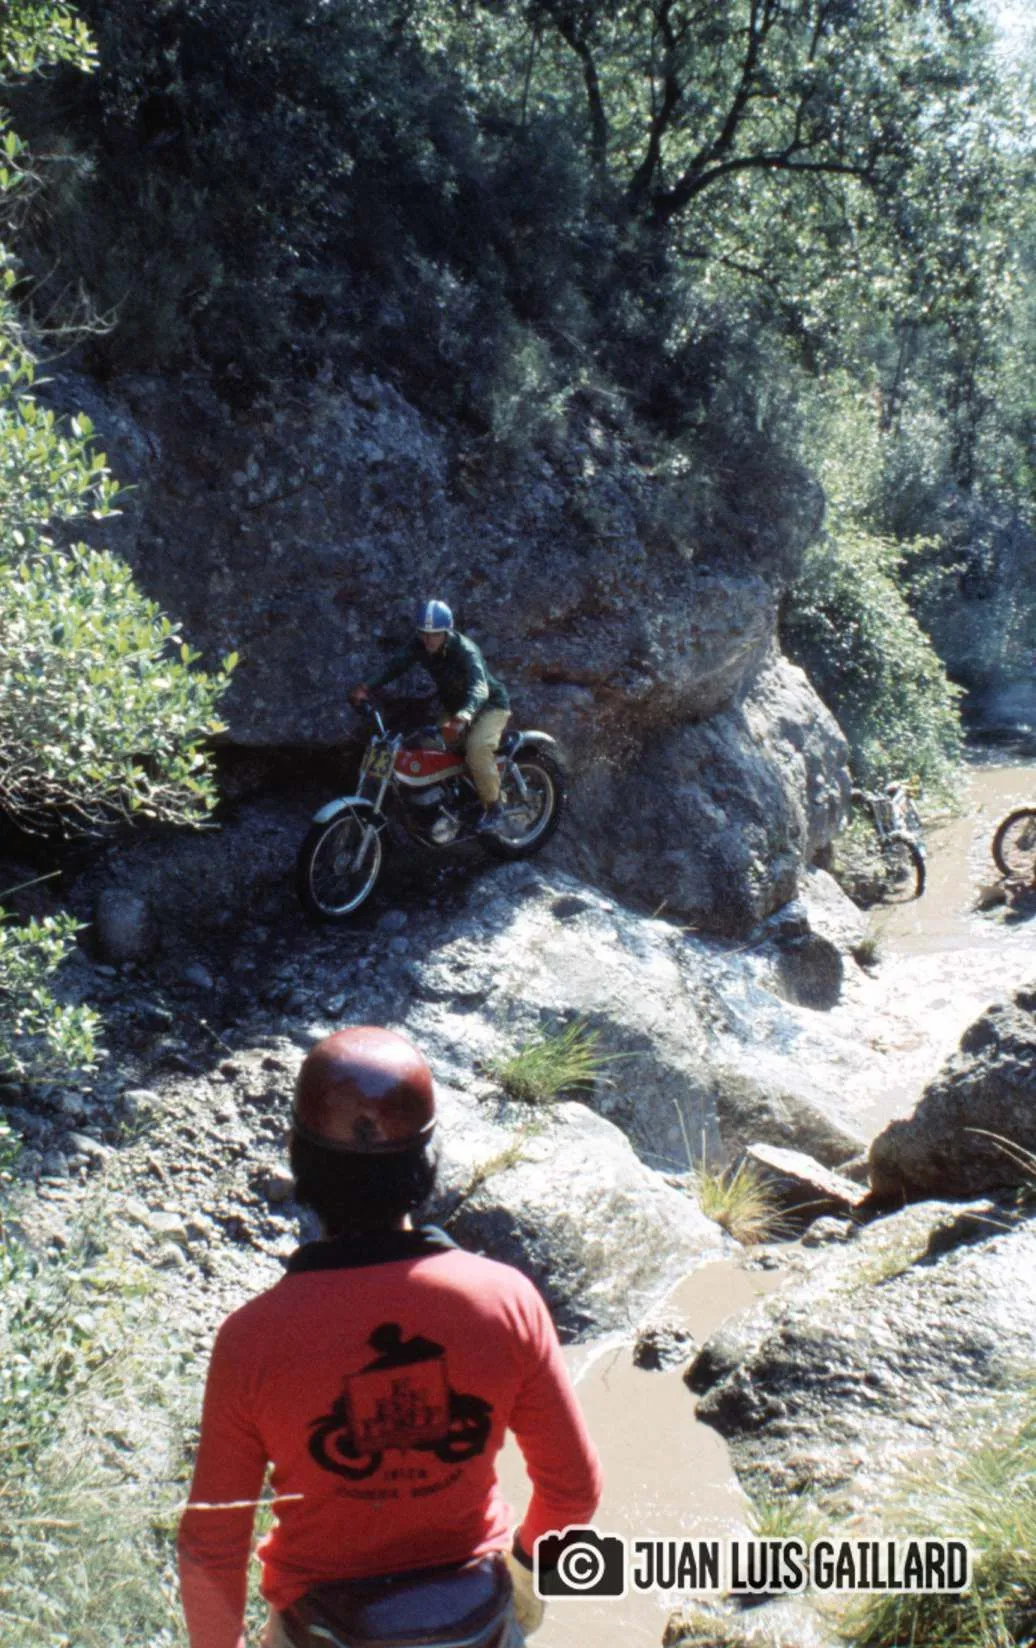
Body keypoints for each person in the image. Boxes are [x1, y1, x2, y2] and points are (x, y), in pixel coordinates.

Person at [177, 1026, 603, 1648]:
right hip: (476, 1625)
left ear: (301, 1165)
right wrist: (525, 1573)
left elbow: (211, 1546)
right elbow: (574, 1493)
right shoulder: (506, 1302)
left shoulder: (253, 1340)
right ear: (426, 1166)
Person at [349, 600, 511, 831]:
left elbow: (480, 688)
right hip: (454, 709)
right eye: (424, 633)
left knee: (477, 750)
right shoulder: (419, 646)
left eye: (434, 634)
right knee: (429, 747)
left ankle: (495, 807)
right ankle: (445, 803)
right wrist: (366, 686)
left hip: (489, 707)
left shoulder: (466, 651)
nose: (428, 639)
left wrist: (464, 716)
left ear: (446, 632)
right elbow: (395, 665)